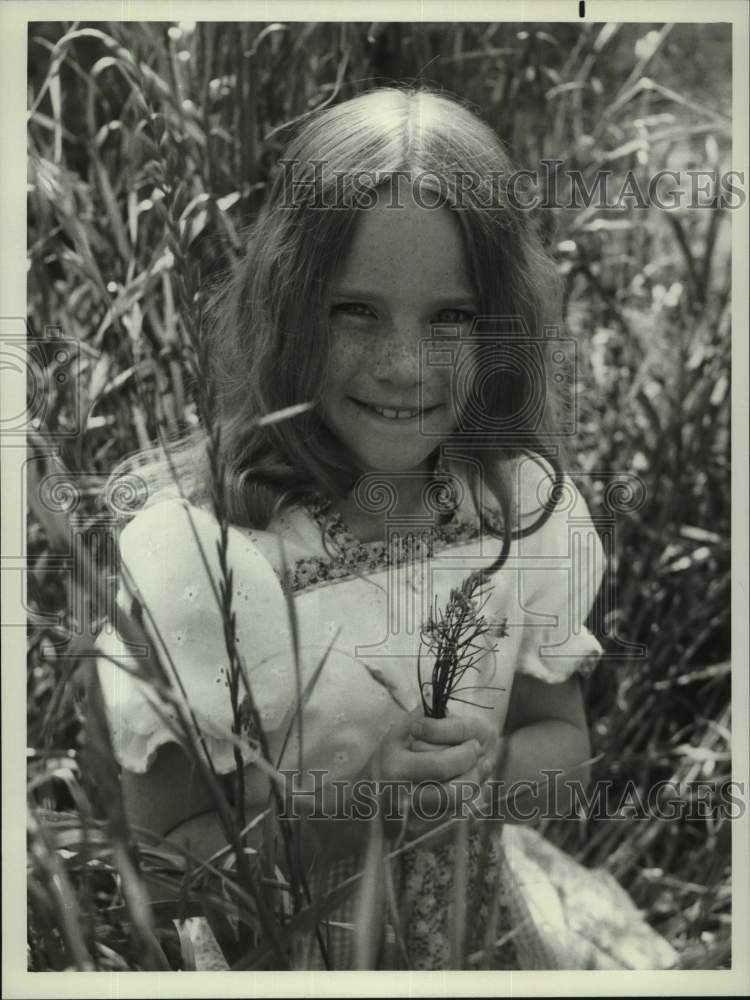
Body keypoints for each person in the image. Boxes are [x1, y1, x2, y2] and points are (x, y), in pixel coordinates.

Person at [96, 86, 613, 971]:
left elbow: (561, 741)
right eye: (355, 311)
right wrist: (359, 803)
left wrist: (488, 777)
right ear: (288, 305)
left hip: (470, 933)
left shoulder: (521, 511)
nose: (404, 366)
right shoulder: (201, 553)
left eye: (450, 316)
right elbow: (167, 865)